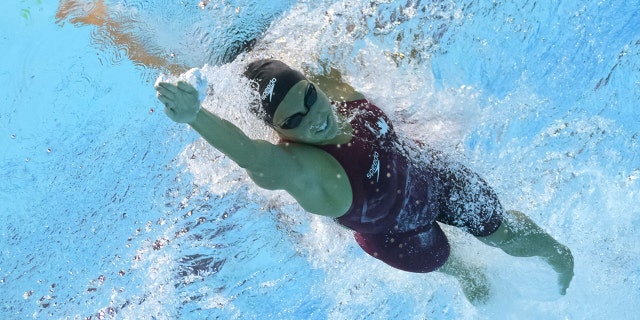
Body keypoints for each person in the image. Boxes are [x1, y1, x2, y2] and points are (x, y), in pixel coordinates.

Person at [155, 59, 574, 303]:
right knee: (461, 270)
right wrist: (195, 116)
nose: (314, 116)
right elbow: (251, 153)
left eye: (309, 97)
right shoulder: (311, 172)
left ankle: (559, 256)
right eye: (295, 121)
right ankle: (473, 284)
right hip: (400, 235)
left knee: (503, 230)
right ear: (282, 133)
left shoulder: (334, 94)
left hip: (432, 177)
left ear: (313, 86)